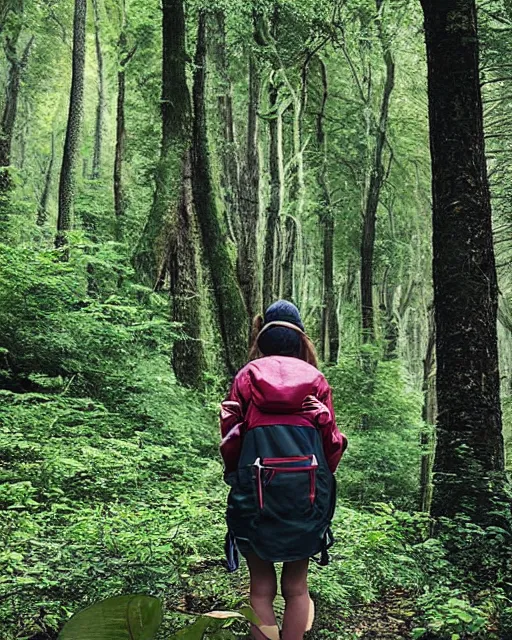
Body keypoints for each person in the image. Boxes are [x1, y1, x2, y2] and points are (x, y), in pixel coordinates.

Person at [219, 300, 348, 640]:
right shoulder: (316, 380)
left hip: (255, 492)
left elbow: (231, 439)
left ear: (263, 339)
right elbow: (332, 448)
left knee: (260, 590)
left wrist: (235, 476)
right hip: (305, 497)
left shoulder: (247, 376)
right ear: (299, 340)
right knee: (296, 586)